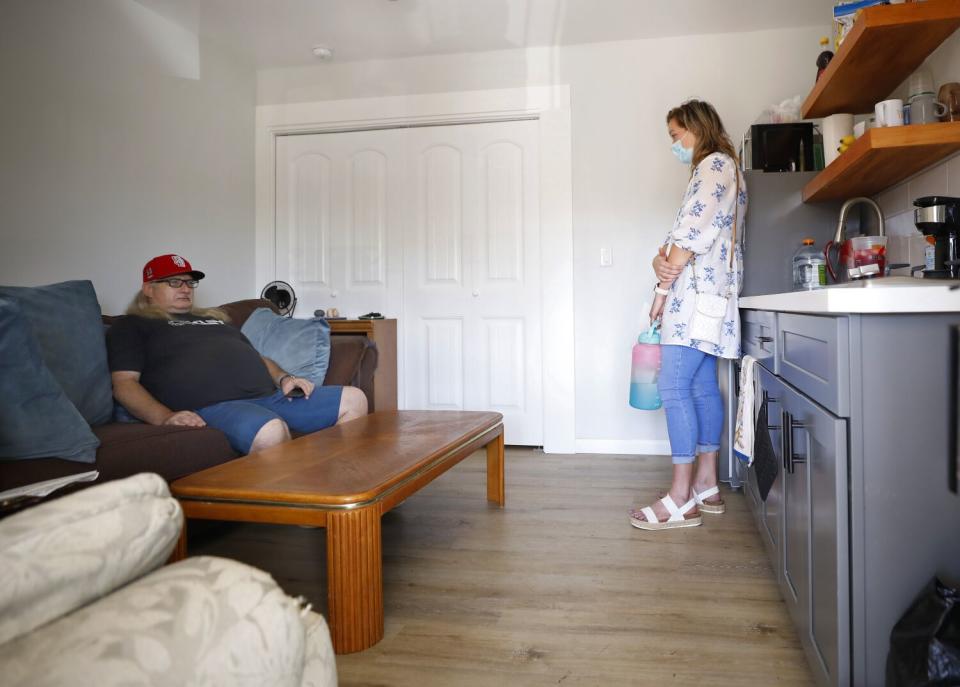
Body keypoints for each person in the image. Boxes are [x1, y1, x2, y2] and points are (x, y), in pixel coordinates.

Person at [106, 254, 368, 454]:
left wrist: (286, 379)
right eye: (175, 282)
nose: (185, 289)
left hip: (270, 397)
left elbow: (257, 357)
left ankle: (339, 491)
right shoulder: (133, 325)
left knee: (354, 399)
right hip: (215, 407)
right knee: (270, 432)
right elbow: (124, 384)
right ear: (149, 288)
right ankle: (301, 510)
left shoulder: (214, 320)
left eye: (189, 282)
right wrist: (164, 417)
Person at [629, 100, 747, 531]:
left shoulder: (714, 165)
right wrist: (659, 262)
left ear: (698, 128)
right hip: (710, 296)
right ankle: (707, 486)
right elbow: (680, 241)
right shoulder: (727, 168)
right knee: (700, 387)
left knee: (674, 385)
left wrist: (661, 288)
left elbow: (691, 234)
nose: (675, 145)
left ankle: (680, 499)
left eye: (677, 136)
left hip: (695, 298)